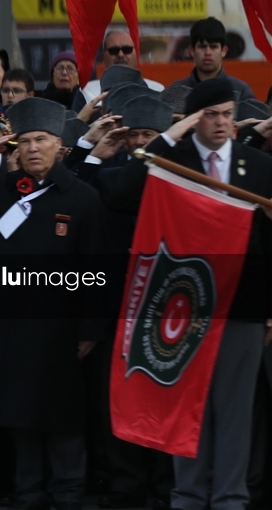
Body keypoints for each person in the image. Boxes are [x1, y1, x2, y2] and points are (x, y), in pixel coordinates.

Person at [0, 97, 106, 510]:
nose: (32, 148)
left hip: (61, 331)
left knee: (63, 421)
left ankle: (66, 494)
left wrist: (89, 330)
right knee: (21, 417)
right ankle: (29, 493)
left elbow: (98, 271)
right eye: (24, 141)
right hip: (9, 330)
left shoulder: (81, 197)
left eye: (41, 140)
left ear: (59, 144)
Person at [110, 79, 272, 510]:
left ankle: (230, 498)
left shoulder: (256, 165)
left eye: (227, 114)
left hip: (244, 306)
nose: (221, 122)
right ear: (194, 118)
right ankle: (188, 495)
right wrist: (171, 133)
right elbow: (124, 192)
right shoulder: (171, 161)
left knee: (236, 409)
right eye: (211, 114)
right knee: (185, 404)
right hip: (185, 308)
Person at [70, 97, 176, 510]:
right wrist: (94, 150)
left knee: (161, 398)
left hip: (164, 309)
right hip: (116, 307)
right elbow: (73, 184)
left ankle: (165, 484)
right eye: (134, 135)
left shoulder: (177, 179)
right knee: (119, 401)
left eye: (148, 136)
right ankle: (126, 483)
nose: (138, 143)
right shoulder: (110, 176)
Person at [168, 17, 256, 99]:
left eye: (213, 47)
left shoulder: (240, 92)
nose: (208, 53)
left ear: (224, 51)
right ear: (192, 51)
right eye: (202, 47)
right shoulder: (176, 92)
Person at [77, 29, 166, 108]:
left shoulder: (157, 90)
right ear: (103, 57)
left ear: (136, 54)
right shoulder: (87, 92)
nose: (120, 55)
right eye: (114, 50)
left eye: (127, 49)